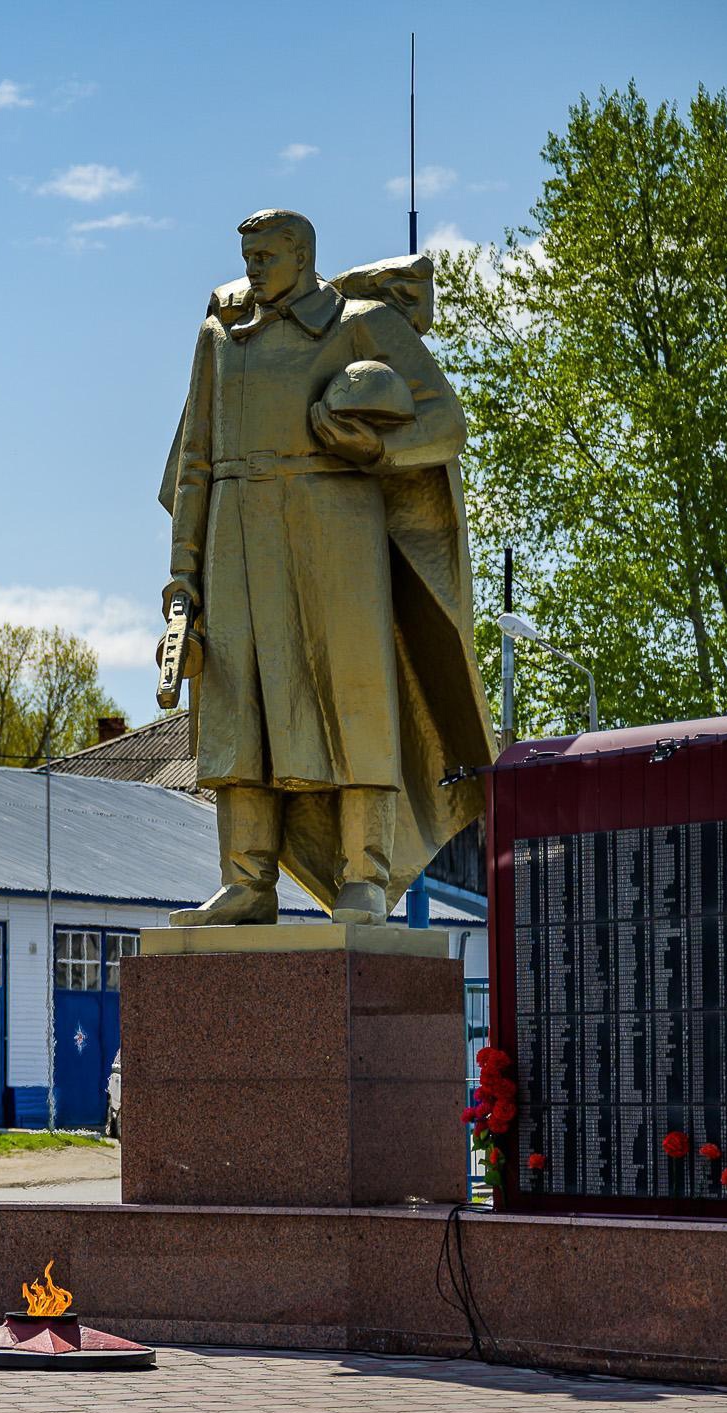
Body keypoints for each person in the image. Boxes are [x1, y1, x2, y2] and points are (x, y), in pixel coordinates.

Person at [159, 207, 493, 927]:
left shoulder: (357, 322)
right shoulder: (221, 331)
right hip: (235, 525)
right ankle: (246, 881)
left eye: (267, 255)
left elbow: (445, 422)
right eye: (246, 255)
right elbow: (195, 461)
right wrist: (182, 576)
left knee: (355, 697)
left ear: (302, 254)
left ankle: (363, 876)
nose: (252, 268)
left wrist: (371, 449)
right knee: (236, 703)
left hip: (335, 521)